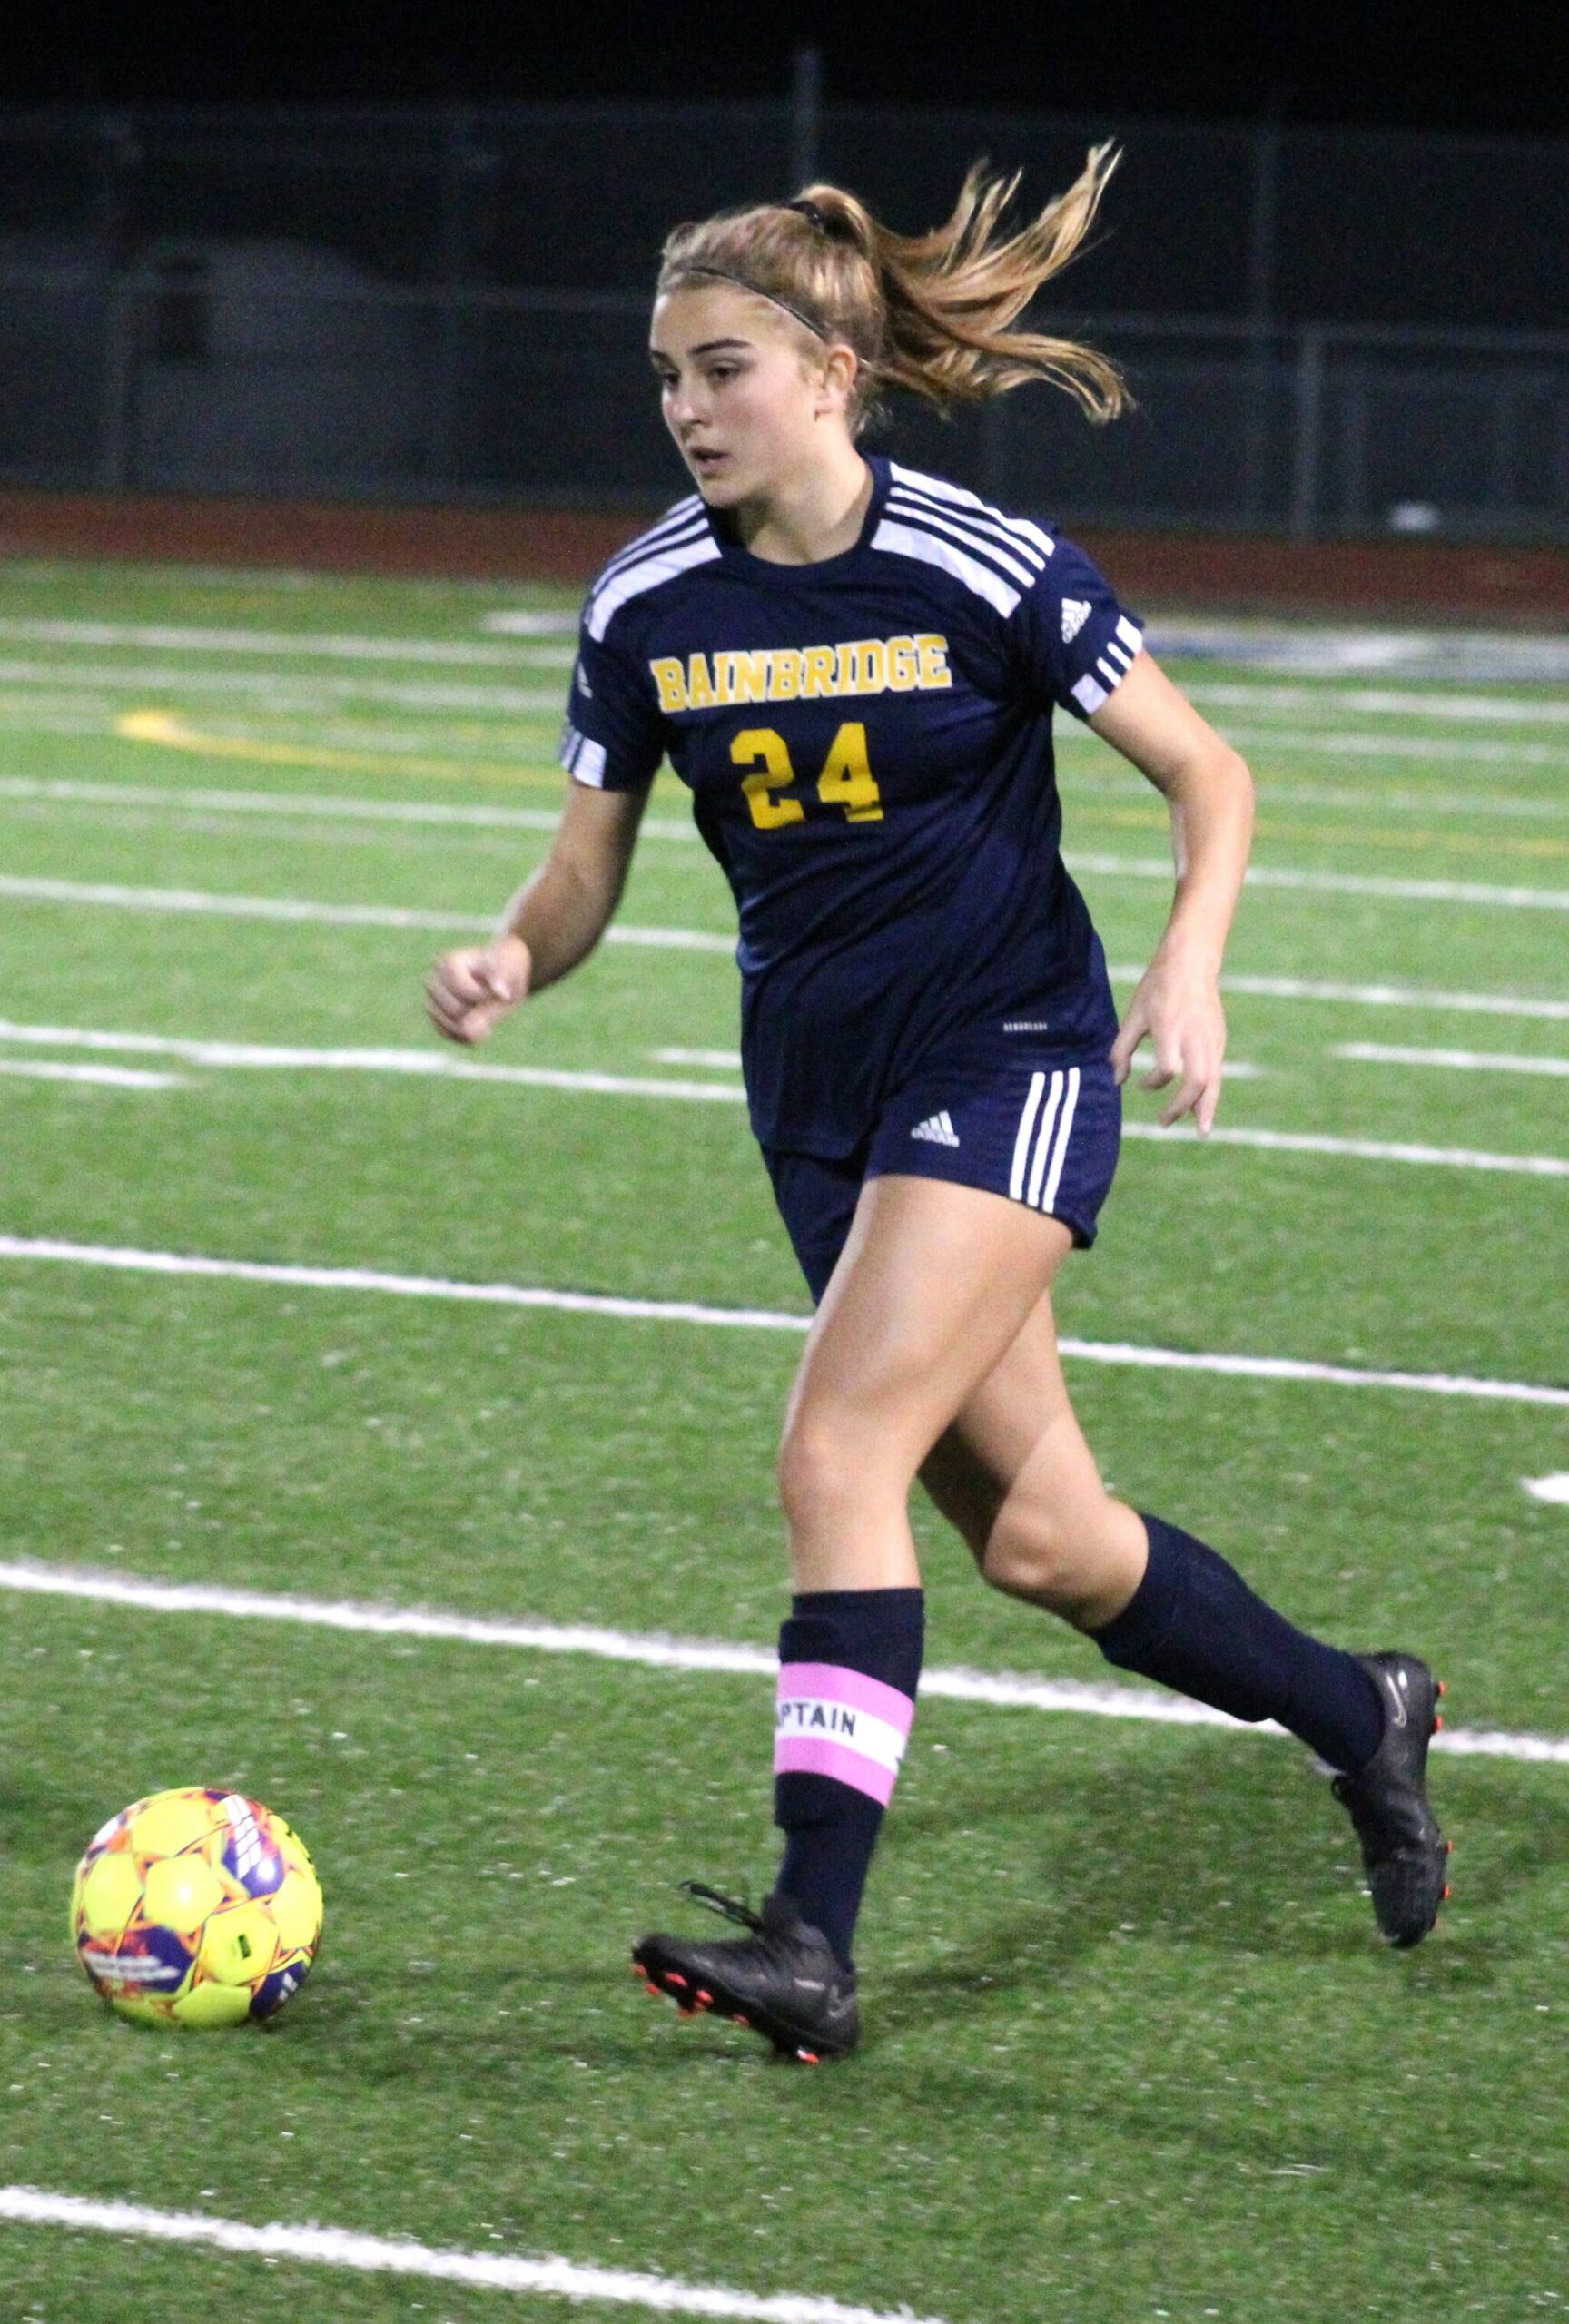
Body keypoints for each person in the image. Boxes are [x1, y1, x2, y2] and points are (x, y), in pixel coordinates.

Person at [426, 148, 1449, 2064]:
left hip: (1008, 1060)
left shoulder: (979, 559)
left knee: (836, 1454)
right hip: (818, 1106)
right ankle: (1355, 1708)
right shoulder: (644, 600)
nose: (686, 410)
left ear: (827, 366)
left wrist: (1188, 964)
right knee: (1052, 1543)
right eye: (665, 377)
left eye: (720, 368)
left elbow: (1208, 772)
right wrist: (510, 951)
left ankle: (814, 1935)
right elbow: (584, 869)